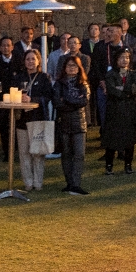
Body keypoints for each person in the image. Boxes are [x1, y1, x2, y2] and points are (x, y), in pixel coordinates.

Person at [14, 49, 54, 190]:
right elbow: (12, 94)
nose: (30, 62)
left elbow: (49, 96)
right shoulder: (18, 77)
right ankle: (28, 183)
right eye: (27, 59)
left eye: (33, 59)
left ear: (38, 61)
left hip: (37, 118)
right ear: (24, 62)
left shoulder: (44, 77)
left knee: (37, 152)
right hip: (22, 120)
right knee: (24, 153)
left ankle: (38, 183)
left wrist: (33, 99)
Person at [101, 47, 136, 175]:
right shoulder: (110, 74)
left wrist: (124, 90)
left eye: (127, 57)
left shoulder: (133, 74)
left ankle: (128, 165)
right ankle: (109, 166)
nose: (125, 60)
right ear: (116, 59)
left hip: (130, 110)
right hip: (114, 111)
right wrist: (127, 91)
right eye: (122, 58)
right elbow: (113, 91)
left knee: (130, 139)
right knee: (112, 140)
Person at [54, 56, 91, 195]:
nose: (71, 68)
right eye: (69, 65)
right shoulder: (59, 84)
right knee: (66, 154)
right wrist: (73, 101)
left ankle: (76, 184)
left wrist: (67, 99)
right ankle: (69, 183)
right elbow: (58, 103)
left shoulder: (83, 84)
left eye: (74, 66)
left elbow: (83, 102)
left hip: (79, 123)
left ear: (79, 68)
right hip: (64, 122)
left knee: (80, 154)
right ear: (64, 68)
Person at [0, 37, 18, 161]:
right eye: (4, 46)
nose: (6, 48)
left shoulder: (19, 61)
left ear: (12, 47)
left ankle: (16, 151)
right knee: (3, 126)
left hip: (16, 99)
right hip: (1, 99)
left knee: (16, 125)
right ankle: (6, 152)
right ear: (0, 47)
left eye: (8, 45)